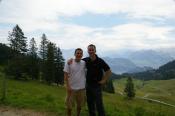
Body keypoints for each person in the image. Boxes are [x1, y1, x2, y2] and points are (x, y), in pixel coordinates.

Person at [68, 44, 111, 116]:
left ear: (95, 51)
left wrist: (104, 80)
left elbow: (108, 71)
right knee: (90, 103)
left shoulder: (100, 61)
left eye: (92, 50)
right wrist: (71, 60)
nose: (91, 51)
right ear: (88, 51)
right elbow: (77, 60)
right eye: (89, 50)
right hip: (88, 85)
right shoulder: (86, 60)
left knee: (99, 104)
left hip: (97, 86)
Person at [64, 48, 86, 116]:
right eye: (77, 53)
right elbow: (65, 75)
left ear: (82, 55)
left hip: (81, 89)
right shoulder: (69, 63)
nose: (79, 54)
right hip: (71, 89)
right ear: (74, 54)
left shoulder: (84, 63)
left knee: (79, 106)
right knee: (69, 106)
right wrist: (68, 87)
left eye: (80, 53)